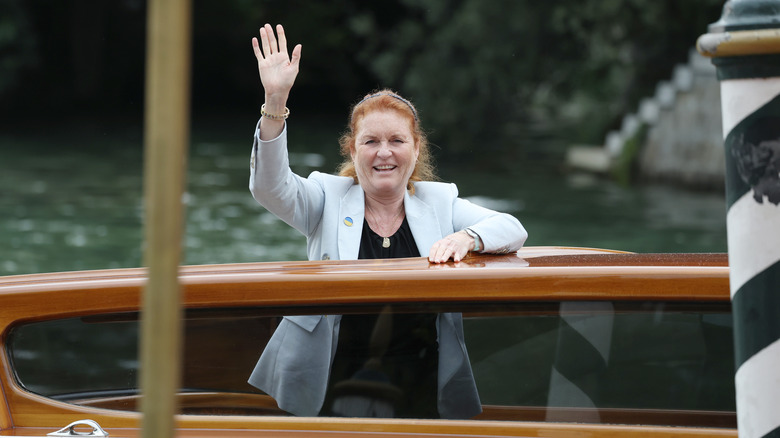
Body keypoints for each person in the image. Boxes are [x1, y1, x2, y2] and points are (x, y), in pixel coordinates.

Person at [247, 24, 528, 419]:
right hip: (326, 375)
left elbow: (513, 228)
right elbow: (269, 188)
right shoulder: (325, 196)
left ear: (416, 150)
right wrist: (275, 102)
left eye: (397, 141)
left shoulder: (440, 201)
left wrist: (468, 238)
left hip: (420, 378)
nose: (384, 153)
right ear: (353, 149)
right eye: (371, 141)